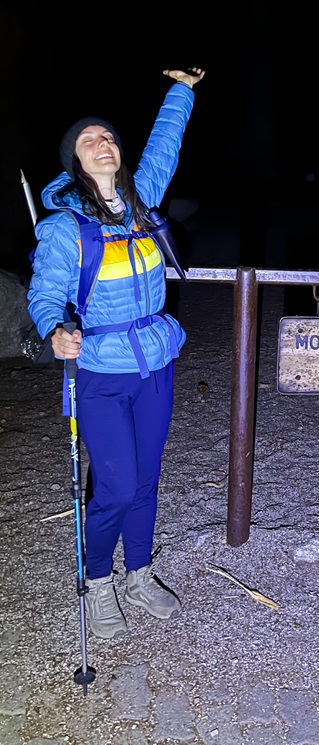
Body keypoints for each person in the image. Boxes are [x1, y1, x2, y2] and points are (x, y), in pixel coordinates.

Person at [27, 67, 205, 639]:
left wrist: (183, 91)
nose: (104, 144)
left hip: (154, 363)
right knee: (117, 487)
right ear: (75, 163)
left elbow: (164, 147)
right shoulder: (64, 229)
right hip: (99, 371)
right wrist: (55, 329)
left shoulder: (141, 201)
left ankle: (140, 573)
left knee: (147, 480)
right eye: (89, 140)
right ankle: (97, 579)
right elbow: (46, 295)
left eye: (109, 137)